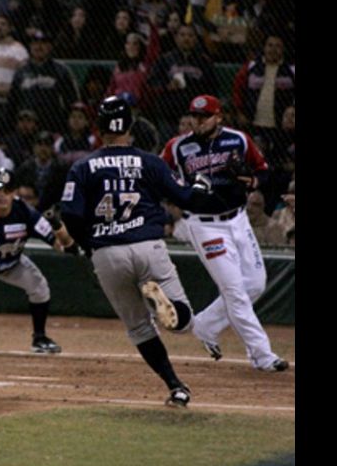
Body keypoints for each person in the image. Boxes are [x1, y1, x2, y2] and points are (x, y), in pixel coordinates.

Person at [60, 96, 218, 407]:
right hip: (147, 245)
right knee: (183, 324)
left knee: (138, 327)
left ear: (99, 127)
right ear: (130, 125)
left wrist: (88, 245)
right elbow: (184, 198)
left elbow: (71, 215)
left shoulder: (82, 167)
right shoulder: (150, 162)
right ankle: (164, 307)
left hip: (107, 253)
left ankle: (175, 386)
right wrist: (201, 187)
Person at [160, 94, 289, 372]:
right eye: (193, 116)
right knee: (234, 291)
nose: (196, 121)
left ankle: (205, 325)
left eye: (203, 116)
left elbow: (264, 171)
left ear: (218, 117)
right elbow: (158, 175)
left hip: (238, 219)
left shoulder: (237, 140)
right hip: (205, 225)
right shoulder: (178, 147)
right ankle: (262, 355)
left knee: (255, 283)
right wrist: (180, 193)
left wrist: (253, 180)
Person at [0, 168, 77, 353]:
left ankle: (40, 338)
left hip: (12, 264)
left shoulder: (25, 212)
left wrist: (58, 228)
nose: (3, 195)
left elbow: (59, 245)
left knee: (39, 287)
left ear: (15, 193)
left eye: (8, 190)